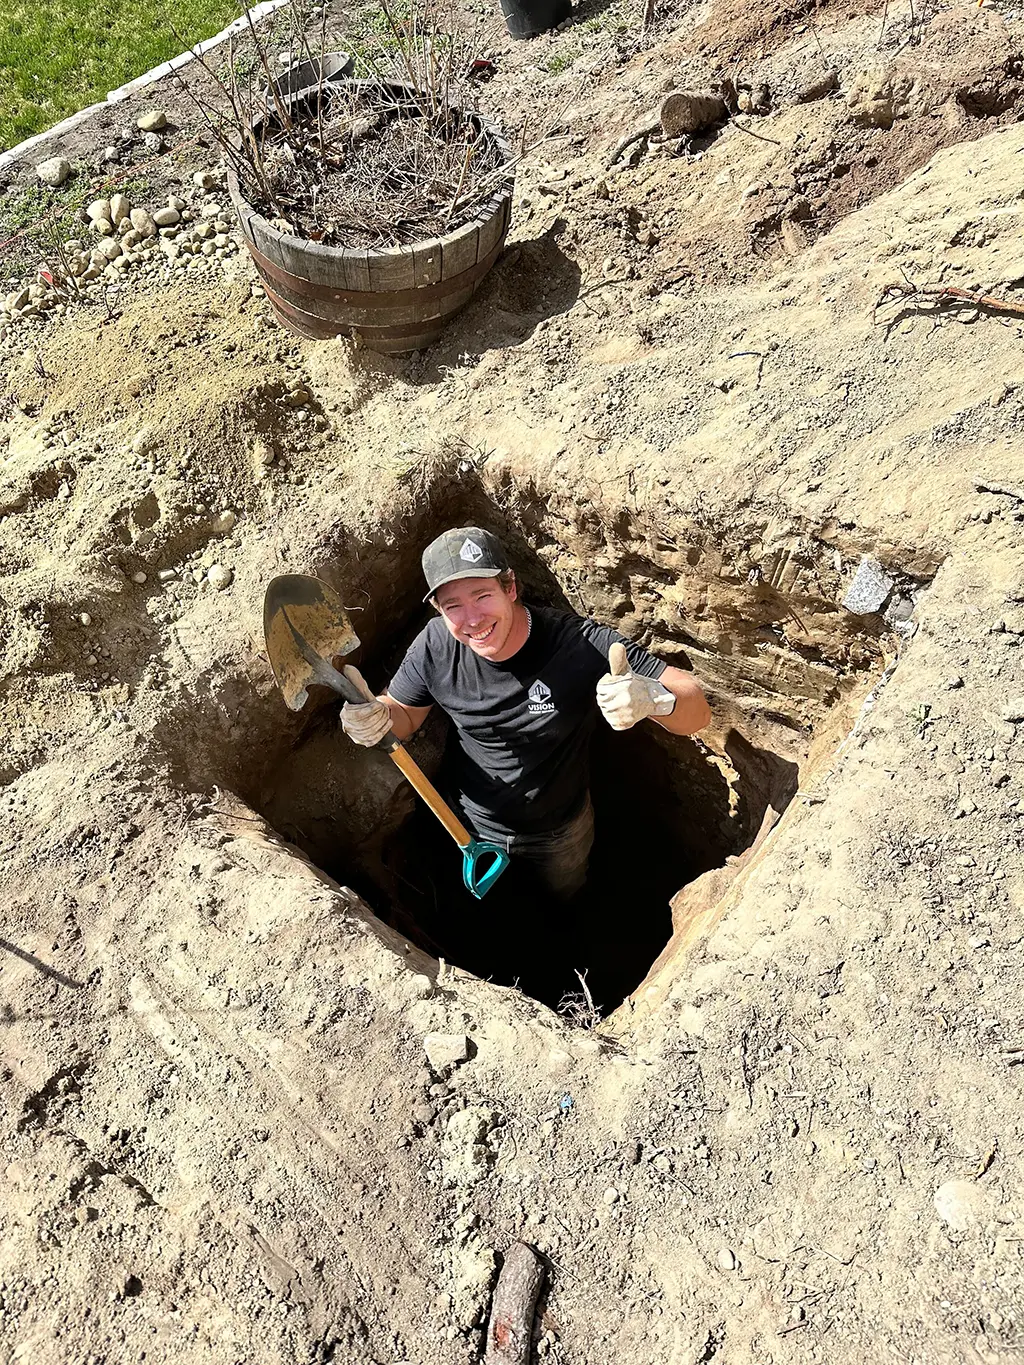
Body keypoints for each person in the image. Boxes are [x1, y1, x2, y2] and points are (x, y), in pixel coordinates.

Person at [339, 527, 711, 903]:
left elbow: (697, 710)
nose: (472, 620)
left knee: (565, 897)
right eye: (453, 605)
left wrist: (654, 699)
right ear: (438, 609)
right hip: (470, 824)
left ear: (510, 587)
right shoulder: (435, 646)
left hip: (560, 831)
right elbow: (404, 714)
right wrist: (375, 716)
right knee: (493, 907)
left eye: (482, 596)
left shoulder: (577, 645)